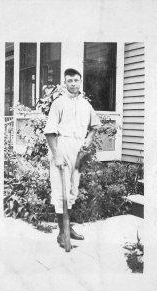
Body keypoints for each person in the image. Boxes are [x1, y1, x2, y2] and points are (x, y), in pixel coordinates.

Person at [44, 68, 101, 248]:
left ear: (80, 81)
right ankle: (63, 233)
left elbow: (95, 125)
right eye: (70, 81)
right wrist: (56, 154)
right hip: (62, 146)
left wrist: (88, 141)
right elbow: (50, 132)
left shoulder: (85, 104)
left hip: (78, 149)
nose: (73, 84)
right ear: (65, 83)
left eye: (76, 80)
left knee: (73, 190)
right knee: (61, 190)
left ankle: (69, 229)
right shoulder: (58, 103)